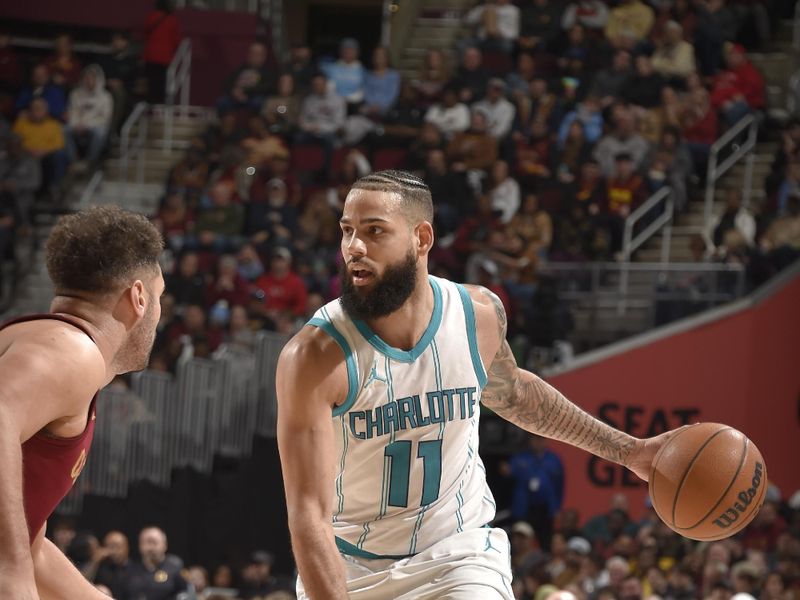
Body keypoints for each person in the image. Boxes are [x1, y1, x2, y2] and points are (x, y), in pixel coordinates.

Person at [276, 169, 686, 599]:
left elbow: (516, 394)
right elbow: (308, 516)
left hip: (457, 554)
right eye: (347, 231)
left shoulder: (476, 315)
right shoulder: (313, 357)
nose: (354, 248)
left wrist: (630, 451)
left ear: (422, 239)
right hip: (352, 566)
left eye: (374, 231)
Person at [0, 205, 164, 599]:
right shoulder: (73, 351)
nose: (160, 315)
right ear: (138, 297)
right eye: (160, 297)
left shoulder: (53, 347)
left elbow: (30, 543)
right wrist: (11, 573)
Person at [64, 64, 113, 172]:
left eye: (92, 78)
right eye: (86, 77)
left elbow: (105, 118)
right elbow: (72, 111)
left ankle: (89, 162)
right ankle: (73, 161)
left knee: (100, 133)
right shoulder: (75, 93)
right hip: (77, 125)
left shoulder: (106, 97)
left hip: (95, 126)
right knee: (63, 130)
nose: (89, 80)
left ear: (98, 79)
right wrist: (76, 124)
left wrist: (86, 125)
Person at [122, 526, 189, 600]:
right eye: (146, 542)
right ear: (140, 546)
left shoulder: (175, 569)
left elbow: (184, 594)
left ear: (165, 545)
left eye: (154, 542)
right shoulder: (130, 570)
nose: (151, 547)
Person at [143, 0, 182, 104]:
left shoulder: (151, 17)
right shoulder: (171, 21)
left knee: (151, 81)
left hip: (150, 56)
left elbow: (146, 34)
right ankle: (158, 103)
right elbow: (176, 41)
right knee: (161, 83)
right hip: (164, 57)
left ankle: (150, 102)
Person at [94, 530, 134, 600]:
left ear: (126, 547)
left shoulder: (136, 569)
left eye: (117, 546)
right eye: (110, 547)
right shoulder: (101, 569)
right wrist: (94, 561)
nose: (114, 551)